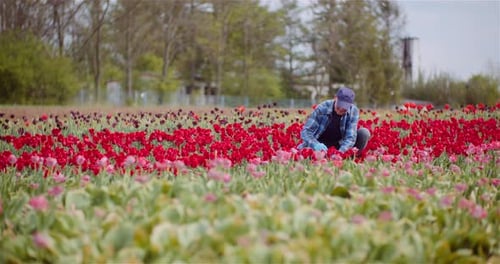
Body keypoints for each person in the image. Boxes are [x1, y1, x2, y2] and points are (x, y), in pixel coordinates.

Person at [298, 87, 370, 155]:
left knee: (364, 133)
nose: (340, 111)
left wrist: (340, 154)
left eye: (344, 109)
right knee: (306, 151)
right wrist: (315, 145)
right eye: (338, 107)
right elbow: (306, 131)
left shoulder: (353, 111)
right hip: (319, 144)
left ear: (350, 105)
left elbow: (350, 138)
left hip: (339, 145)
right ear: (335, 98)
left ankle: (350, 157)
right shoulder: (322, 108)